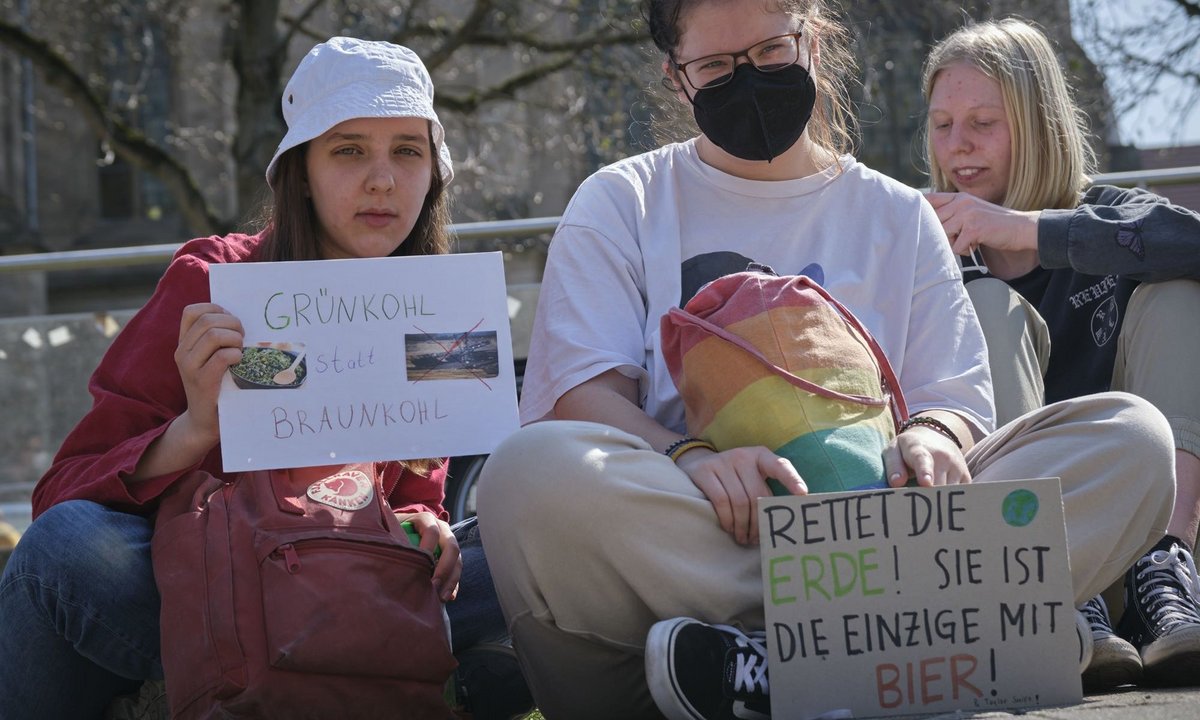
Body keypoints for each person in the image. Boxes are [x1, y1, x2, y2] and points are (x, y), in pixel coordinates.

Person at [474, 1, 1179, 719]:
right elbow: (583, 396)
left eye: (771, 52)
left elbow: (955, 399)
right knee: (527, 476)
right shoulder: (623, 201)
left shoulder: (897, 213)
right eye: (716, 66)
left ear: (811, 41)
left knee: (1133, 439)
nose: (747, 80)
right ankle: (886, 645)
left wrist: (932, 436)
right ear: (676, 79)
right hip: (708, 522)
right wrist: (687, 455)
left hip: (884, 517)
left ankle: (762, 667)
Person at [0, 37, 527, 720]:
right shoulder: (213, 284)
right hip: (218, 590)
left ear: (433, 173)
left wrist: (427, 525)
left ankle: (410, 671)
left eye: (407, 150)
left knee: (533, 549)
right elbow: (61, 494)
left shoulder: (440, 310)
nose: (381, 179)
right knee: (67, 547)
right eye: (347, 149)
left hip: (355, 581)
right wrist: (194, 430)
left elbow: (419, 495)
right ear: (300, 172)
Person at [922, 17, 1200, 692]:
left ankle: (1168, 567)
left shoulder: (1106, 213)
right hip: (1012, 575)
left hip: (1137, 546)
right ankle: (1057, 589)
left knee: (1177, 291)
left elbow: (1190, 242)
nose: (958, 147)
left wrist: (1030, 232)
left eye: (983, 122)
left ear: (1037, 124)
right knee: (986, 305)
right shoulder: (921, 244)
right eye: (941, 124)